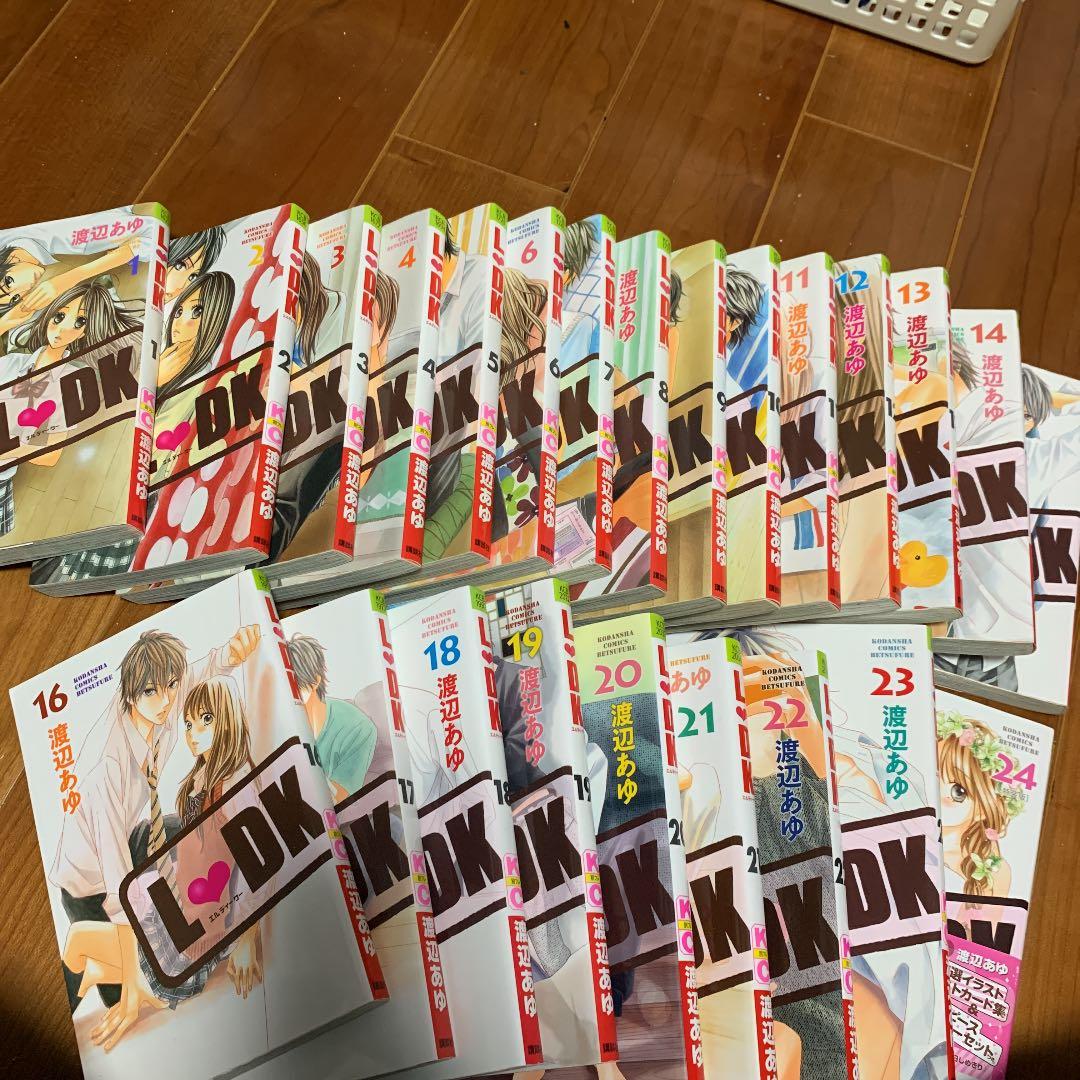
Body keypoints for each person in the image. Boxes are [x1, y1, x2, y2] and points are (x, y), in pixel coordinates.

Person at [49, 623, 260, 1050]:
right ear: (130, 696)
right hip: (89, 882)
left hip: (136, 836)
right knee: (120, 996)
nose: (166, 702)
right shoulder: (108, 766)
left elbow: (191, 676)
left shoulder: (162, 700)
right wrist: (131, 993)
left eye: (170, 688)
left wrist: (229, 654)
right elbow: (117, 887)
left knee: (194, 831)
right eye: (151, 692)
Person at [0, 278, 143, 535]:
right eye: (60, 316)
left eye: (79, 322)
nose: (63, 328)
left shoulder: (71, 384)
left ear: (84, 332)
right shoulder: (11, 362)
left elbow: (49, 455)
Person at [286, 633, 378, 802]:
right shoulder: (275, 723)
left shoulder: (357, 728)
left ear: (314, 681)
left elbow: (339, 799)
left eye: (292, 686)